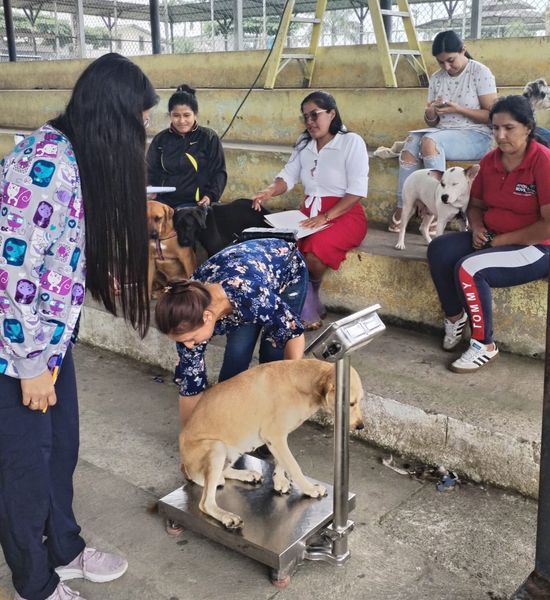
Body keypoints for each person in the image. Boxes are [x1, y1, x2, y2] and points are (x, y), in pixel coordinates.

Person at [0, 53, 158, 600]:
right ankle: (34, 583)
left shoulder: (75, 157)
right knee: (23, 468)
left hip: (49, 340)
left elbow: (57, 249)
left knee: (60, 446)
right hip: (15, 349)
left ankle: (63, 549)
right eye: (141, 122)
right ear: (112, 119)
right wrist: (28, 366)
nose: (144, 134)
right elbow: (9, 271)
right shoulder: (43, 164)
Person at [428, 95, 550, 373]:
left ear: (528, 128)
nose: (500, 135)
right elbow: (476, 206)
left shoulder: (542, 161)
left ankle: (484, 344)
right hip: (493, 237)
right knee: (439, 249)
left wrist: (501, 241)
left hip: (537, 247)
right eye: (495, 128)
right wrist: (478, 227)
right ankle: (455, 317)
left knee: (469, 268)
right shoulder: (490, 161)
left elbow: (548, 225)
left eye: (509, 128)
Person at [154, 238, 308, 427]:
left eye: (191, 339)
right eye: (182, 340)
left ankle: (271, 421)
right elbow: (191, 386)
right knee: (237, 352)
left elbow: (293, 332)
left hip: (285, 269)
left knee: (273, 352)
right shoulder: (187, 313)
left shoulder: (250, 295)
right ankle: (228, 418)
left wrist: (293, 387)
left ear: (207, 317)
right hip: (236, 287)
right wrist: (190, 436)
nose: (188, 345)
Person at [252, 90, 368, 330]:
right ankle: (306, 302)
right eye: (305, 117)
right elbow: (288, 175)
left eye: (315, 115)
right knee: (284, 245)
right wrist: (269, 191)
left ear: (332, 113)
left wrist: (325, 217)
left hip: (344, 213)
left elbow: (357, 191)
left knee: (314, 250)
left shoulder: (351, 142)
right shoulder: (304, 143)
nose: (310, 122)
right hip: (309, 211)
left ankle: (310, 294)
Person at [388, 30, 497, 234]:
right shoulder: (437, 78)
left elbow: (493, 116)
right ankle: (404, 206)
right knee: (411, 142)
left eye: (451, 60)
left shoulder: (479, 72)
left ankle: (438, 207)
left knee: (430, 142)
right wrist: (431, 113)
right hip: (443, 131)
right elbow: (432, 121)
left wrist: (458, 109)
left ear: (463, 50)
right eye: (441, 62)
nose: (446, 66)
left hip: (477, 135)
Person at [146, 84, 227, 209]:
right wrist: (150, 187)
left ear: (195, 114)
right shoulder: (160, 140)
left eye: (187, 115)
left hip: (196, 204)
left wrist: (210, 196)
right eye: (176, 115)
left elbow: (219, 172)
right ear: (170, 115)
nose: (181, 121)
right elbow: (149, 170)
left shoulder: (208, 137)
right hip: (164, 203)